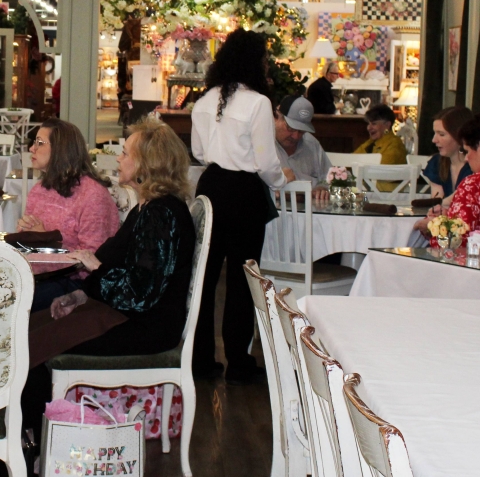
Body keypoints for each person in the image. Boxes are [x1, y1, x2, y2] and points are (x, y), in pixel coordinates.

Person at [21, 120, 197, 434]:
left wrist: (95, 270)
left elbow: (140, 292)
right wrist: (79, 295)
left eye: (126, 153)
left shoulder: (162, 214)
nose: (118, 158)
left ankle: (32, 442)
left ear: (147, 163)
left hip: (146, 326)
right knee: (31, 327)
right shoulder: (146, 208)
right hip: (125, 313)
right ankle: (33, 438)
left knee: (31, 344)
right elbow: (119, 268)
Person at [191, 29, 288, 385]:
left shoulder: (204, 101)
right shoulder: (258, 103)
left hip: (211, 187)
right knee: (242, 277)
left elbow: (199, 154)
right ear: (253, 62)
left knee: (202, 277)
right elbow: (265, 162)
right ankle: (238, 360)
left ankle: (200, 358)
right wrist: (282, 183)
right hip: (244, 192)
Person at [17, 118, 119, 252]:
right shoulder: (39, 189)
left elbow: (93, 257)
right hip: (36, 268)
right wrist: (24, 230)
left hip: (69, 272)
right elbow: (27, 241)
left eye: (39, 143)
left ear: (60, 148)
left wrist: (46, 240)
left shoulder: (93, 195)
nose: (32, 148)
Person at [414, 118, 480, 240]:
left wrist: (431, 226)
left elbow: (457, 237)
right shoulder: (438, 164)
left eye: (467, 151)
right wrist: (449, 215)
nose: (466, 158)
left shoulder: (473, 183)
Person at [274, 94, 332, 200]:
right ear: (276, 117)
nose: (296, 136)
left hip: (314, 214)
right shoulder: (262, 144)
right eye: (290, 128)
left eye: (301, 131)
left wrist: (323, 188)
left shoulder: (311, 143)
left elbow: (329, 178)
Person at [422, 106, 473, 199]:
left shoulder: (475, 164)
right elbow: (437, 201)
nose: (434, 140)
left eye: (441, 134)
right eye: (434, 133)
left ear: (459, 136)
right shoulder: (437, 163)